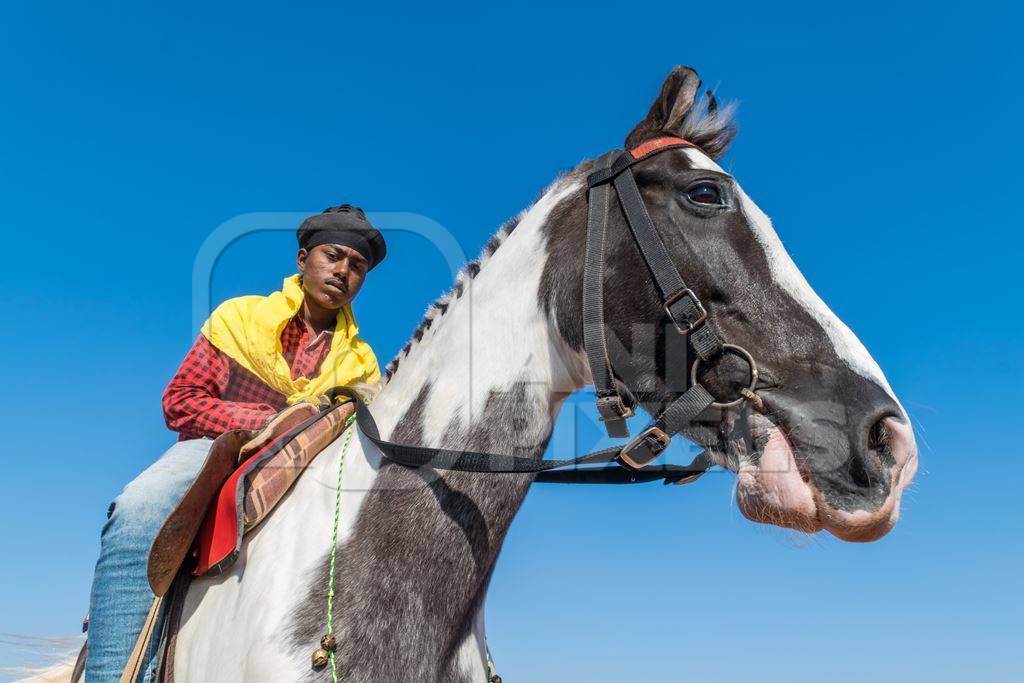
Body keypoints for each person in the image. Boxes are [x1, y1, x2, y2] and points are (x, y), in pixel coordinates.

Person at [85, 205, 386, 682]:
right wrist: (268, 421)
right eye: (334, 255)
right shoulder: (239, 316)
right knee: (137, 509)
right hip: (212, 450)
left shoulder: (364, 364)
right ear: (303, 258)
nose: (344, 271)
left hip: (308, 468)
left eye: (358, 266)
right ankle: (109, 673)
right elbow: (180, 402)